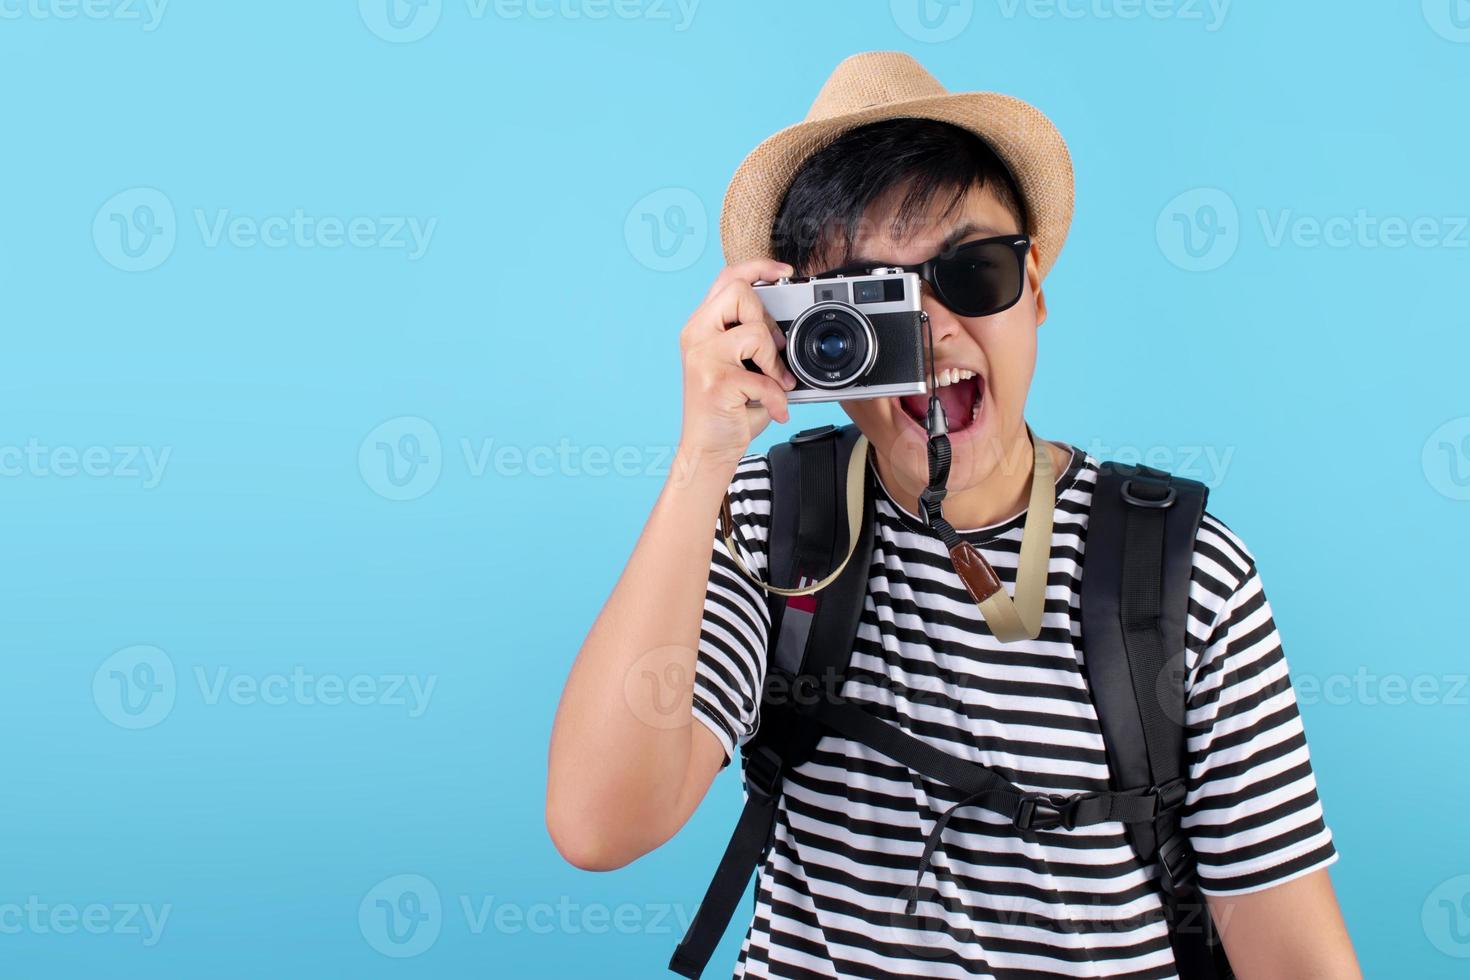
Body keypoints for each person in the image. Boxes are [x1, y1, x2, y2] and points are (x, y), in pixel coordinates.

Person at [547, 51, 1360, 979]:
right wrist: (703, 458)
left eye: (971, 273)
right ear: (803, 337)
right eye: (869, 300)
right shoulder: (772, 525)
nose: (931, 326)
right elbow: (597, 826)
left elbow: (1294, 955)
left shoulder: (1185, 571)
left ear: (1037, 293)